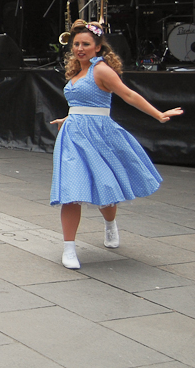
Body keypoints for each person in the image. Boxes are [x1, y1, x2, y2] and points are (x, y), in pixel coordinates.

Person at [50, 20, 183, 269]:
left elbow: (128, 95)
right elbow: (82, 104)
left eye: (86, 44)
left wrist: (159, 114)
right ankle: (69, 248)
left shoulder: (100, 70)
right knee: (70, 193)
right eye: (76, 44)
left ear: (98, 47)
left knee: (106, 191)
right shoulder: (76, 71)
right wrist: (68, 117)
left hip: (99, 136)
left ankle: (110, 225)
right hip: (73, 136)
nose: (79, 48)